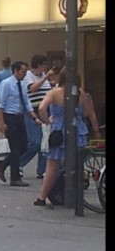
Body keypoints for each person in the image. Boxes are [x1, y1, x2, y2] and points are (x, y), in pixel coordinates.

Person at [34, 66, 101, 208]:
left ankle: (42, 197)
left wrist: (47, 122)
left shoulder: (54, 93)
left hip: (59, 130)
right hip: (78, 130)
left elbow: (41, 109)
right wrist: (96, 132)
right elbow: (90, 115)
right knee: (77, 164)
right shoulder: (81, 94)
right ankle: (76, 196)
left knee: (52, 166)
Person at [0, 61, 36, 187]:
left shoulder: (22, 84)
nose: (24, 75)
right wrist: (1, 123)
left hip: (19, 116)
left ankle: (3, 164)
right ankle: (15, 177)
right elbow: (0, 104)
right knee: (15, 147)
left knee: (24, 146)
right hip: (9, 117)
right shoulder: (6, 84)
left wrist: (34, 117)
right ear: (16, 71)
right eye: (23, 72)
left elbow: (26, 102)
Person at [19, 55, 54, 182]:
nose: (46, 66)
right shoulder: (29, 75)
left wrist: (50, 82)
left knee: (45, 141)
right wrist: (46, 77)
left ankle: (42, 169)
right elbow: (33, 88)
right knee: (35, 142)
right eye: (44, 64)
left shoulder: (44, 77)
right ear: (38, 65)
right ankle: (19, 163)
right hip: (33, 111)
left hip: (45, 110)